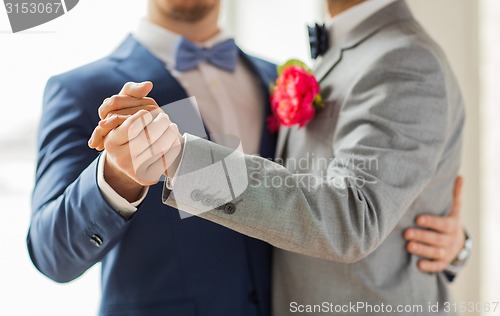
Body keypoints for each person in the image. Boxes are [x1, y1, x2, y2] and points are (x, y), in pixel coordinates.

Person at [28, 1, 468, 316]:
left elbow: (343, 202)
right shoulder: (83, 91)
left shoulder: (276, 78)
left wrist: (444, 239)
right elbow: (52, 255)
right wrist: (116, 178)